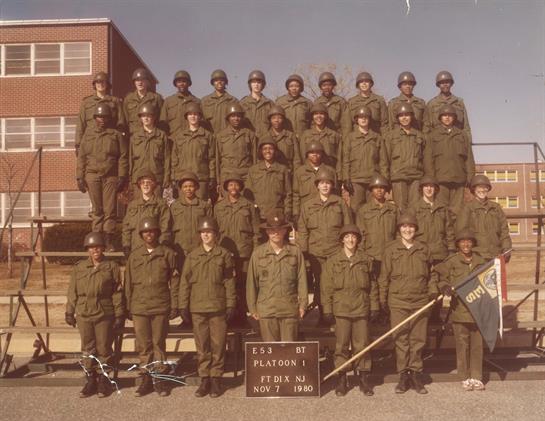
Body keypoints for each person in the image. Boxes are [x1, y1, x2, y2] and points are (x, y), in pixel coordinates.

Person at [378, 213, 437, 395]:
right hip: (398, 301)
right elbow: (384, 277)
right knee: (401, 340)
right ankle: (403, 375)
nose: (407, 229)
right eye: (404, 227)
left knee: (418, 340)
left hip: (420, 301)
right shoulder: (391, 250)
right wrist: (382, 300)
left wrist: (433, 290)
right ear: (399, 229)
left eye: (411, 227)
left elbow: (432, 274)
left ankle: (416, 375)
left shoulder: (423, 249)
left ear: (415, 230)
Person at [179, 216, 236, 398]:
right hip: (198, 307)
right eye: (203, 232)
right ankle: (204, 378)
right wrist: (183, 306)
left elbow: (229, 282)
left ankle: (216, 378)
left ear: (215, 234)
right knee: (202, 345)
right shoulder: (192, 256)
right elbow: (185, 283)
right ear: (200, 235)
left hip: (218, 306)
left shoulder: (224, 255)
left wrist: (231, 304)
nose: (206, 235)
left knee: (218, 344)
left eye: (209, 232)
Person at [321, 224, 379, 397]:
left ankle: (363, 378)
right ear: (342, 240)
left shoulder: (366, 260)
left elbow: (373, 286)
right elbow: (326, 287)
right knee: (342, 345)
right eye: (347, 237)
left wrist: (374, 306)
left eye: (354, 237)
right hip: (341, 309)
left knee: (362, 345)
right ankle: (342, 379)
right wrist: (327, 308)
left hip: (361, 307)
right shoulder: (332, 261)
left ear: (358, 240)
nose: (351, 240)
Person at [124, 217, 180, 397]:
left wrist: (175, 304)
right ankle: (146, 379)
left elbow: (175, 281)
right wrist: (128, 305)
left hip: (160, 305)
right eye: (145, 232)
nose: (149, 234)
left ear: (157, 233)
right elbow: (128, 283)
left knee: (158, 344)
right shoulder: (135, 255)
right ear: (141, 235)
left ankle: (160, 379)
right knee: (144, 345)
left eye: (152, 231)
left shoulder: (167, 253)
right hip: (139, 306)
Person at [65, 232, 124, 398]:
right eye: (91, 247)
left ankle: (104, 381)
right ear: (87, 250)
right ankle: (90, 379)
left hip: (104, 311)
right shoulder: (79, 267)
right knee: (87, 347)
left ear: (103, 248)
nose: (95, 250)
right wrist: (70, 311)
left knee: (104, 347)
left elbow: (117, 293)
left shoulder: (111, 267)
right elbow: (72, 291)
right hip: (84, 312)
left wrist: (119, 314)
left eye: (98, 247)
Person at [298, 166, 353, 324]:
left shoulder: (340, 203)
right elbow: (303, 231)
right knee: (320, 285)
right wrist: (305, 254)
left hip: (336, 252)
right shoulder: (307, 206)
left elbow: (348, 227)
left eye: (328, 183)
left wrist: (347, 249)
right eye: (322, 183)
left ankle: (338, 316)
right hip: (316, 253)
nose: (325, 186)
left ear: (332, 185)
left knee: (338, 284)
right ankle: (323, 316)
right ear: (317, 185)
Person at [435, 229, 487, 391]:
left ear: (473, 244)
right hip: (460, 310)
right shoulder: (451, 261)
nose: (466, 244)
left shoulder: (481, 261)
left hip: (478, 310)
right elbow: (439, 276)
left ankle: (477, 377)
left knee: (477, 345)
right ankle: (464, 376)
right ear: (457, 244)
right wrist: (444, 287)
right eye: (462, 241)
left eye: (469, 241)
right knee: (462, 345)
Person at [246, 210, 308, 341]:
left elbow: (302, 280)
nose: (276, 233)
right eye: (272, 230)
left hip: (289, 309)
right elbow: (252, 283)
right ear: (267, 232)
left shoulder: (295, 252)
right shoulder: (258, 253)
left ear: (285, 231)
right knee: (271, 353)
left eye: (279, 229)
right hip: (267, 310)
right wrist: (252, 307)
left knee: (289, 351)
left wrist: (303, 304)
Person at [76, 103, 128, 251]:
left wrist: (122, 176)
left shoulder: (116, 135)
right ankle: (97, 240)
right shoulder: (88, 134)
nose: (102, 119)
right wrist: (79, 177)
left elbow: (123, 156)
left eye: (104, 117)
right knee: (97, 209)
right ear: (95, 118)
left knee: (110, 209)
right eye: (99, 117)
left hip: (111, 176)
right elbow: (82, 157)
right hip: (92, 175)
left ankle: (108, 240)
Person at [214, 174, 260, 323]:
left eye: (236, 185)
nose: (233, 188)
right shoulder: (219, 207)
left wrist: (255, 250)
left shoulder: (248, 205)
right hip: (224, 249)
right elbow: (214, 229)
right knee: (226, 281)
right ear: (226, 188)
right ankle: (227, 313)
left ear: (240, 187)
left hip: (244, 250)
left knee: (242, 282)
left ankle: (241, 314)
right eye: (230, 185)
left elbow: (256, 230)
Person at [409, 176, 455, 322]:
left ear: (436, 189)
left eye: (432, 186)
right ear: (421, 189)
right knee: (423, 284)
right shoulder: (414, 208)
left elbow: (449, 230)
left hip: (440, 253)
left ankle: (436, 318)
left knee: (440, 285)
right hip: (421, 253)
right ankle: (424, 318)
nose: (429, 189)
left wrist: (452, 249)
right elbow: (409, 231)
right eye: (426, 186)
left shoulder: (443, 208)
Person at [427, 104, 475, 215]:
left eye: (450, 115)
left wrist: (470, 177)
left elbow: (469, 158)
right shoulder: (433, 136)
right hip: (440, 180)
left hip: (459, 179)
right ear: (440, 118)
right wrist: (431, 178)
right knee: (441, 211)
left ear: (454, 117)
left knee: (457, 212)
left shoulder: (462, 135)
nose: (447, 118)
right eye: (444, 115)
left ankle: (455, 233)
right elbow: (428, 159)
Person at [384, 102, 432, 211]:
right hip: (398, 177)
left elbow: (427, 160)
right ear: (397, 118)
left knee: (415, 208)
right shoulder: (391, 136)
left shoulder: (420, 136)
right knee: (400, 208)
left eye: (407, 115)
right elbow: (385, 159)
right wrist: (386, 178)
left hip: (416, 177)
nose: (404, 118)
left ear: (411, 116)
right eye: (401, 115)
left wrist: (428, 178)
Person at [341, 105, 388, 212]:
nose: (363, 119)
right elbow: (346, 160)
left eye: (366, 117)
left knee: (373, 208)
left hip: (373, 180)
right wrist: (346, 178)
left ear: (369, 119)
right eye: (360, 117)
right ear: (356, 120)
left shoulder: (377, 138)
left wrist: (384, 179)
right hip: (356, 180)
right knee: (356, 209)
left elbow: (383, 161)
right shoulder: (350, 138)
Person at [355, 175, 399, 285]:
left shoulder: (393, 210)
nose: (379, 190)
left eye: (382, 187)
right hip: (371, 255)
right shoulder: (364, 210)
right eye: (375, 188)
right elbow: (360, 234)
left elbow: (399, 233)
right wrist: (363, 255)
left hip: (390, 255)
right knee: (373, 286)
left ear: (386, 190)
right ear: (371, 190)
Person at [456, 175, 512, 260]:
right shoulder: (467, 208)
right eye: (479, 187)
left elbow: (504, 231)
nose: (482, 190)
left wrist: (506, 248)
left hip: (496, 254)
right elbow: (461, 232)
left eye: (485, 187)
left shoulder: (496, 208)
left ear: (488, 189)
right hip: (476, 256)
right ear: (474, 190)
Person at [171, 102, 216, 201]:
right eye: (190, 114)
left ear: (200, 116)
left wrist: (212, 176)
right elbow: (174, 159)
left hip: (201, 178)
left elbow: (212, 158)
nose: (193, 116)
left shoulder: (208, 136)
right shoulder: (179, 137)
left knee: (200, 208)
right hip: (183, 178)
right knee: (183, 208)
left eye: (196, 114)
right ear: (186, 117)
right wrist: (174, 177)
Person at [122, 171, 172, 257]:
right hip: (136, 248)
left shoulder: (161, 204)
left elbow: (165, 226)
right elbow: (126, 227)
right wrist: (126, 245)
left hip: (154, 249)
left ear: (153, 185)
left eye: (148, 182)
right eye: (142, 183)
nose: (145, 185)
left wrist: (162, 244)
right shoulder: (132, 205)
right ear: (139, 185)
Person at [75, 71, 125, 156]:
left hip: (109, 142)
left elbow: (121, 123)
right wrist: (78, 144)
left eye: (103, 82)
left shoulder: (115, 101)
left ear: (107, 84)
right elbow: (81, 124)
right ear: (94, 84)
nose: (100, 84)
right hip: (90, 141)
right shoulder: (86, 102)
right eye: (98, 82)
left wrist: (119, 142)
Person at [245, 136, 292, 222]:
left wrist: (287, 211)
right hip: (259, 214)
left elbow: (288, 194)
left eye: (271, 148)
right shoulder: (253, 170)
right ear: (261, 151)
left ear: (275, 151)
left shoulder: (282, 169)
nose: (268, 151)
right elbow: (248, 194)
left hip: (277, 214)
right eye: (265, 149)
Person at [129, 103, 171, 192]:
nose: (146, 118)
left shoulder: (161, 135)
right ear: (140, 118)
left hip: (156, 177)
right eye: (143, 116)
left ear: (154, 117)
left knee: (156, 204)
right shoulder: (135, 137)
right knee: (138, 204)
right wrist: (130, 178)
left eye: (149, 115)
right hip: (138, 178)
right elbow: (130, 158)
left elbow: (167, 158)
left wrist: (166, 177)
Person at [170, 171, 213, 259]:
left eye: (191, 186)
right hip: (180, 249)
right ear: (181, 189)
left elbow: (210, 229)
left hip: (199, 248)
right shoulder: (174, 206)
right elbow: (169, 228)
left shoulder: (204, 206)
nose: (188, 189)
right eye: (185, 187)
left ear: (196, 187)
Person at [215, 103, 257, 190]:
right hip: (227, 175)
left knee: (246, 202)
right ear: (228, 118)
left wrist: (254, 176)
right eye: (233, 116)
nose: (236, 119)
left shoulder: (250, 134)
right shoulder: (221, 135)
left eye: (238, 116)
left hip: (245, 175)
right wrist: (218, 181)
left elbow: (255, 158)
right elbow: (217, 159)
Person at [292, 141, 337, 223]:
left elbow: (336, 193)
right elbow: (296, 194)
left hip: (327, 210)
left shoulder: (330, 171)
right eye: (311, 152)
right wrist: (296, 213)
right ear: (307, 154)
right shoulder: (300, 172)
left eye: (318, 152)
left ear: (322, 154)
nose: (315, 155)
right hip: (307, 211)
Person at [424, 70, 472, 141]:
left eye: (447, 82)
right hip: (438, 141)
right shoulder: (432, 104)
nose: (445, 85)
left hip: (457, 140)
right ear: (438, 85)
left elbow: (466, 126)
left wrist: (468, 142)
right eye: (442, 83)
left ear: (451, 84)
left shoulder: (459, 102)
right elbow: (427, 127)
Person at [299, 102, 342, 175]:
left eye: (321, 114)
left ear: (325, 116)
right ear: (312, 116)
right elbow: (303, 156)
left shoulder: (334, 135)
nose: (319, 116)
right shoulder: (306, 135)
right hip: (311, 173)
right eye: (316, 114)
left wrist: (339, 175)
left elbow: (340, 158)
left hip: (330, 173)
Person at [123, 68, 163, 138]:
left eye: (142, 80)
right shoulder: (128, 99)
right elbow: (125, 120)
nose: (140, 83)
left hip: (151, 136)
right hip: (134, 137)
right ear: (134, 82)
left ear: (147, 81)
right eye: (137, 80)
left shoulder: (156, 98)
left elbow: (161, 119)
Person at [160, 70, 200, 136]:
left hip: (191, 140)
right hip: (173, 141)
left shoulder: (196, 102)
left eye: (184, 81)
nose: (181, 84)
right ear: (175, 84)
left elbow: (201, 123)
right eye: (179, 82)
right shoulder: (168, 101)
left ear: (188, 83)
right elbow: (163, 124)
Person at [201, 69, 239, 134]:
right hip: (210, 138)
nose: (219, 82)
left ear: (225, 82)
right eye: (216, 80)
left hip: (227, 138)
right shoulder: (205, 101)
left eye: (222, 80)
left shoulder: (233, 101)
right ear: (212, 83)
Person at [267, 105, 302, 173]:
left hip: (289, 171)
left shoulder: (291, 136)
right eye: (274, 118)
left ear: (283, 120)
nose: (276, 120)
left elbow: (297, 159)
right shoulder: (265, 137)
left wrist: (296, 174)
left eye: (279, 118)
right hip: (272, 173)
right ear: (270, 120)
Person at [240, 70, 274, 138]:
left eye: (259, 82)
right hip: (248, 140)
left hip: (265, 140)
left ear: (263, 85)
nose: (256, 85)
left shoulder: (269, 103)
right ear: (250, 84)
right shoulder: (243, 103)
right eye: (254, 82)